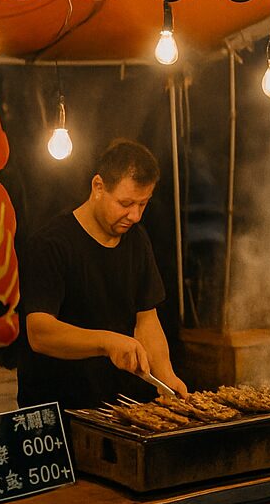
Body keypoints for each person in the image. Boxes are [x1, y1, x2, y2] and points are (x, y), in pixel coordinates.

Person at [17, 139, 187, 410]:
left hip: (118, 406)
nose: (135, 216)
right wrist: (107, 341)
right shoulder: (51, 244)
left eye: (143, 204)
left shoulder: (137, 241)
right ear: (98, 187)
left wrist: (165, 376)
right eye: (125, 203)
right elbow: (40, 333)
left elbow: (147, 321)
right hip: (59, 407)